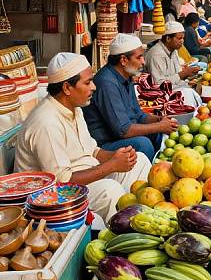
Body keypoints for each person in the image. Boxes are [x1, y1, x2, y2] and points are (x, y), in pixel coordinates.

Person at [15, 53, 151, 222]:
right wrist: (111, 166)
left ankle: (145, 218)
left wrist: (118, 157)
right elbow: (62, 181)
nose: (94, 87)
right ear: (66, 88)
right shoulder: (46, 123)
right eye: (87, 82)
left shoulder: (75, 107)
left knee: (141, 160)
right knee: (110, 190)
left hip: (87, 175)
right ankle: (125, 232)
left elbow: (92, 151)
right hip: (53, 197)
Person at [83, 34, 178, 161]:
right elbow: (123, 130)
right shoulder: (107, 83)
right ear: (123, 60)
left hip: (118, 136)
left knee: (157, 133)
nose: (143, 62)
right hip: (104, 145)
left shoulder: (126, 77)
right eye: (139, 57)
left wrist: (159, 120)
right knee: (143, 144)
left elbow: (139, 115)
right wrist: (159, 126)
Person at [144, 21, 202, 108]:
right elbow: (158, 84)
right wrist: (183, 74)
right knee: (189, 94)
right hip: (162, 96)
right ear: (168, 38)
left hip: (177, 88)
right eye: (179, 38)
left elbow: (177, 74)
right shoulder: (156, 54)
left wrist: (189, 74)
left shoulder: (173, 51)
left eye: (183, 38)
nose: (182, 41)